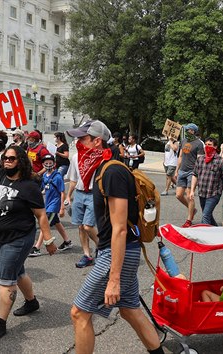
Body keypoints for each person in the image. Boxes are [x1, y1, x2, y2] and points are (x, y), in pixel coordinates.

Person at [70, 120, 165, 354]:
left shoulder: (112, 171)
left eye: (82, 139)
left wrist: (113, 279)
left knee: (79, 312)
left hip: (118, 251)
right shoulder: (105, 168)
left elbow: (120, 228)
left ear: (96, 141)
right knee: (129, 309)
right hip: (121, 250)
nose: (77, 143)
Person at [0, 131, 56, 342]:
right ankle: (32, 302)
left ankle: (0, 324)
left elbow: (41, 215)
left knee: (6, 280)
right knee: (18, 272)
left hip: (18, 239)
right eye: (5, 158)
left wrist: (49, 240)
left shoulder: (28, 187)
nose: (7, 162)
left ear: (21, 161)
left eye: (11, 158)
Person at [65, 121, 101, 268]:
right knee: (80, 226)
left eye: (82, 138)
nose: (78, 141)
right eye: (77, 139)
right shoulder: (75, 157)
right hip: (79, 193)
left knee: (88, 226)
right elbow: (73, 179)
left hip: (93, 194)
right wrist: (68, 196)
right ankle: (87, 255)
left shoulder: (101, 157)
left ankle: (104, 249)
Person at [29, 154, 72, 256]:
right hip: (47, 203)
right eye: (46, 163)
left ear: (54, 164)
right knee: (56, 222)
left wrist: (62, 207)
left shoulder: (57, 177)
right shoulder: (44, 176)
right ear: (43, 164)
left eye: (50, 163)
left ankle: (37, 247)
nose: (48, 165)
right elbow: (45, 189)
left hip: (54, 205)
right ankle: (67, 241)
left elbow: (62, 192)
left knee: (45, 224)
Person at [189, 137, 223, 226]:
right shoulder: (200, 159)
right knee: (207, 214)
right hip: (202, 192)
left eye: (210, 145)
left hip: (214, 194)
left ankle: (204, 237)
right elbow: (195, 175)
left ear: (215, 147)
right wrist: (192, 190)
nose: (207, 147)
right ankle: (216, 230)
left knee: (205, 215)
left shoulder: (221, 161)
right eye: (206, 145)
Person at [175, 123, 205, 227]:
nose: (187, 131)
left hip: (192, 172)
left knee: (189, 196)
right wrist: (176, 170)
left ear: (194, 131)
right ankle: (193, 209)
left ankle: (189, 220)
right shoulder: (183, 141)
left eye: (189, 130)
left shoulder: (199, 144)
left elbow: (200, 160)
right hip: (182, 170)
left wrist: (197, 174)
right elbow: (180, 156)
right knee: (178, 195)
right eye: (186, 130)